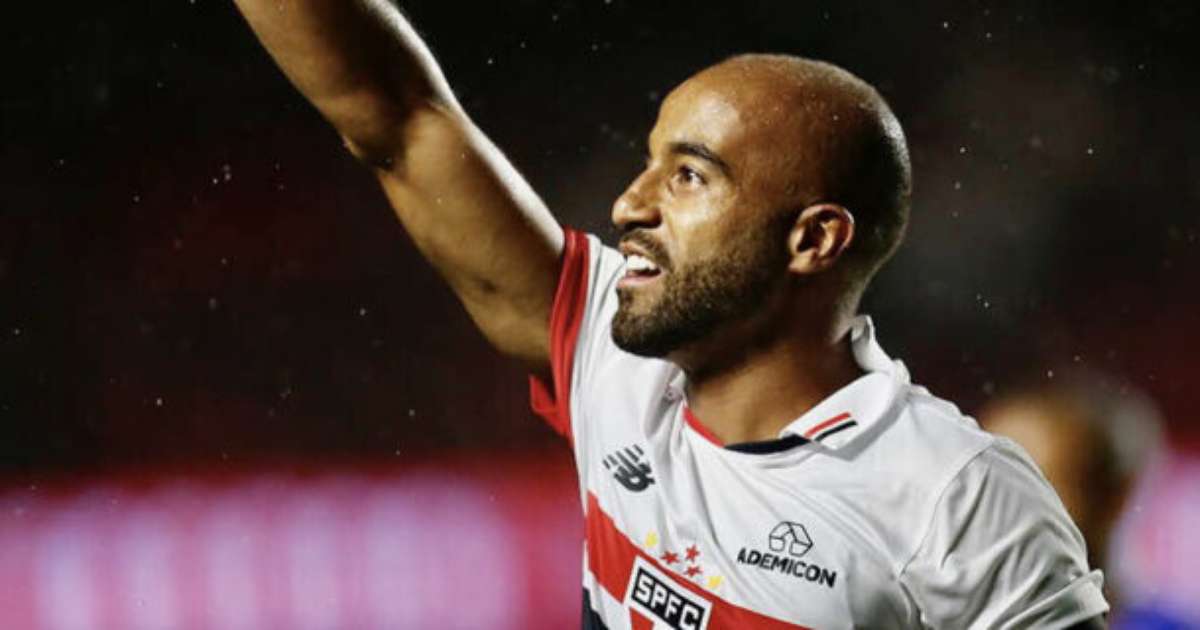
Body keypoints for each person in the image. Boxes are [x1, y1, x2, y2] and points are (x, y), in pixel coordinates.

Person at [232, 1, 1109, 626]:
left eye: (689, 175)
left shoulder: (958, 499)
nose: (629, 204)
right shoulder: (616, 369)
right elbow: (399, 119)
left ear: (813, 239)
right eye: (648, 164)